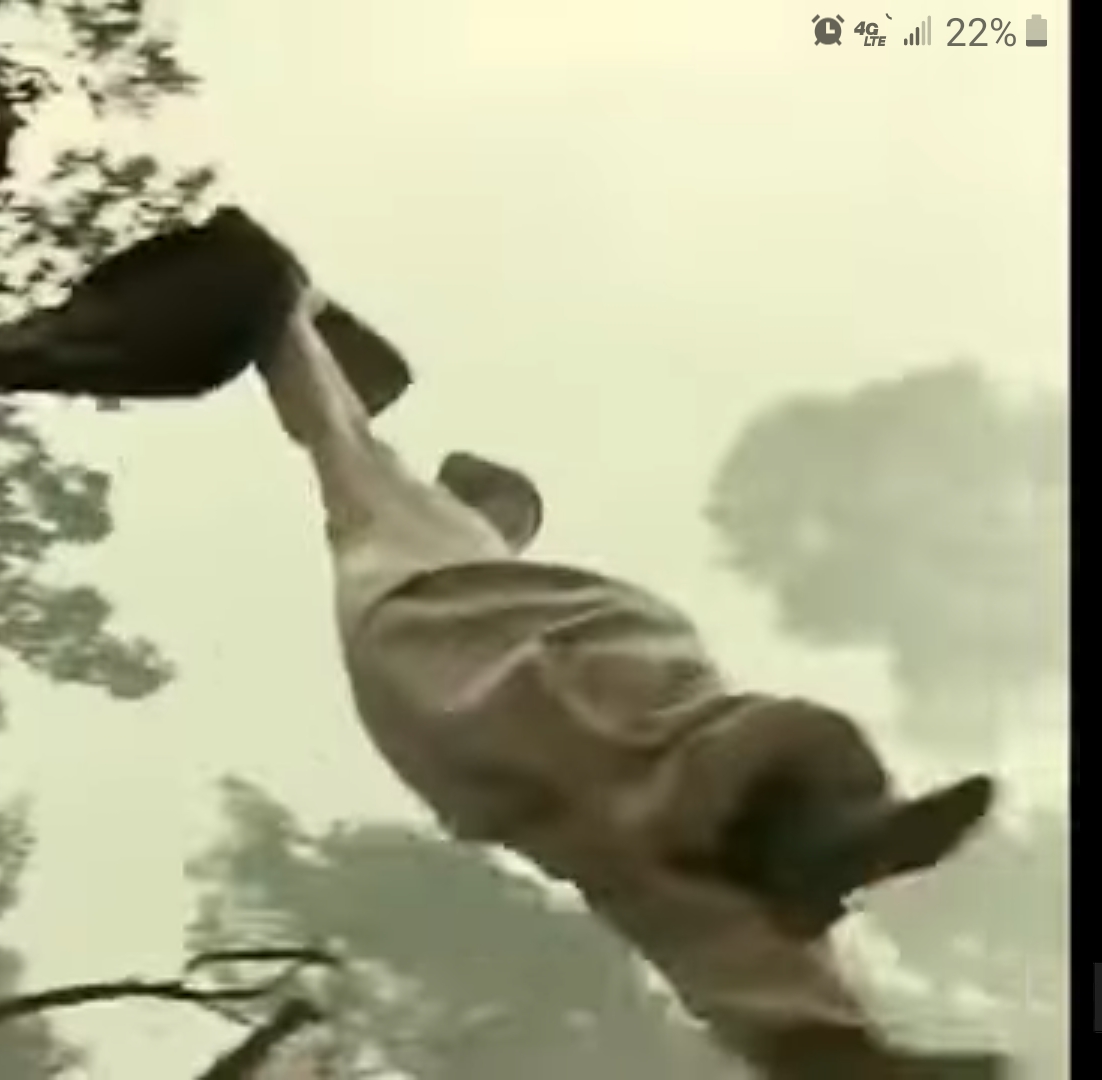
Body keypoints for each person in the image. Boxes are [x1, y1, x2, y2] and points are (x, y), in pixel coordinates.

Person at [252, 273, 1004, 1078]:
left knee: (665, 877)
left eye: (517, 525)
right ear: (467, 497)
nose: (509, 534)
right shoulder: (403, 508)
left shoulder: (457, 556)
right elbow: (333, 424)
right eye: (506, 515)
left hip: (483, 745)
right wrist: (282, 309)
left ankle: (830, 1050)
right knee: (736, 733)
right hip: (467, 653)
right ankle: (822, 835)